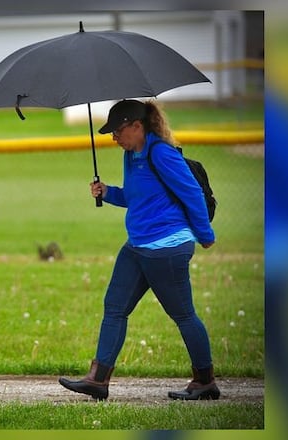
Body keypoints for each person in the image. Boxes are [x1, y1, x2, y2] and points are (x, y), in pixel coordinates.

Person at [58, 99, 220, 401]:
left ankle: (205, 381)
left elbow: (192, 194)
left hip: (167, 247)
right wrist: (108, 193)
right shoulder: (131, 156)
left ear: (137, 126)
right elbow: (136, 197)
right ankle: (98, 379)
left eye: (117, 131)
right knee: (115, 307)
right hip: (138, 245)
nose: (114, 138)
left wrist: (205, 234)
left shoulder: (161, 153)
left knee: (183, 314)